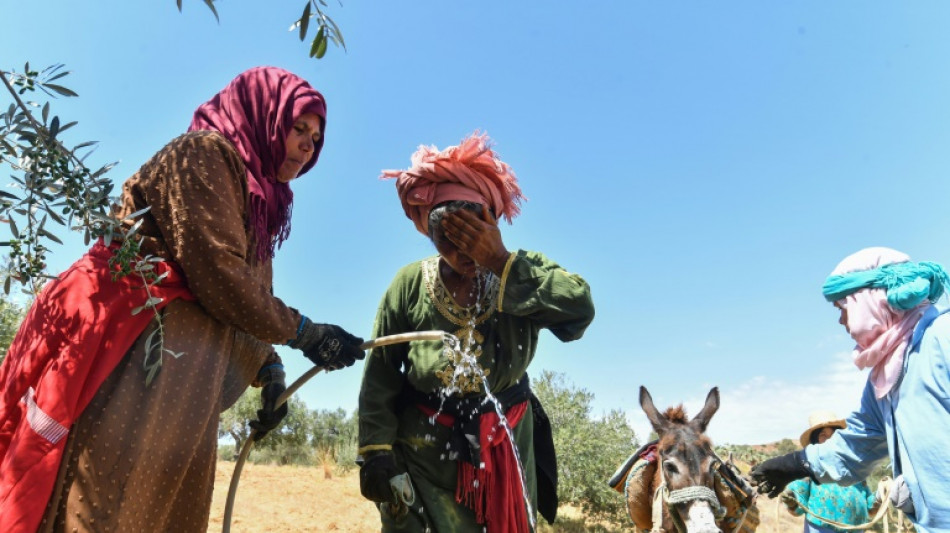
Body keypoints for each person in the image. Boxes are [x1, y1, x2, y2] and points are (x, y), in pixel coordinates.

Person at [0, 66, 365, 533]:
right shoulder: (203, 155)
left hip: (179, 383)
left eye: (317, 138)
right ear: (264, 116)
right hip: (125, 350)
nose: (309, 145)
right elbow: (219, 274)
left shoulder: (261, 203)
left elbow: (247, 296)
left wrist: (269, 368)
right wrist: (306, 334)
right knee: (100, 506)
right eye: (299, 128)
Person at [357, 132, 595, 532]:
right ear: (429, 236)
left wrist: (500, 261)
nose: (461, 253)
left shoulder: (521, 270)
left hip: (503, 449)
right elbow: (380, 375)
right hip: (421, 458)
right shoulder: (408, 284)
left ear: (492, 222)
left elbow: (580, 311)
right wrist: (376, 452)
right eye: (448, 241)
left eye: (471, 237)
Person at [750, 247, 950, 532]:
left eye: (842, 308)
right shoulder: (884, 380)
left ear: (869, 300)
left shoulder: (942, 337)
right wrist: (797, 463)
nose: (841, 321)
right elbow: (857, 444)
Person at [780, 411, 877, 533]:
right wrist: (791, 499)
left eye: (833, 434)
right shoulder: (810, 467)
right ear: (815, 440)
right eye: (823, 435)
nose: (829, 439)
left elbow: (869, 506)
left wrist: (880, 497)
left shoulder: (854, 467)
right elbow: (797, 495)